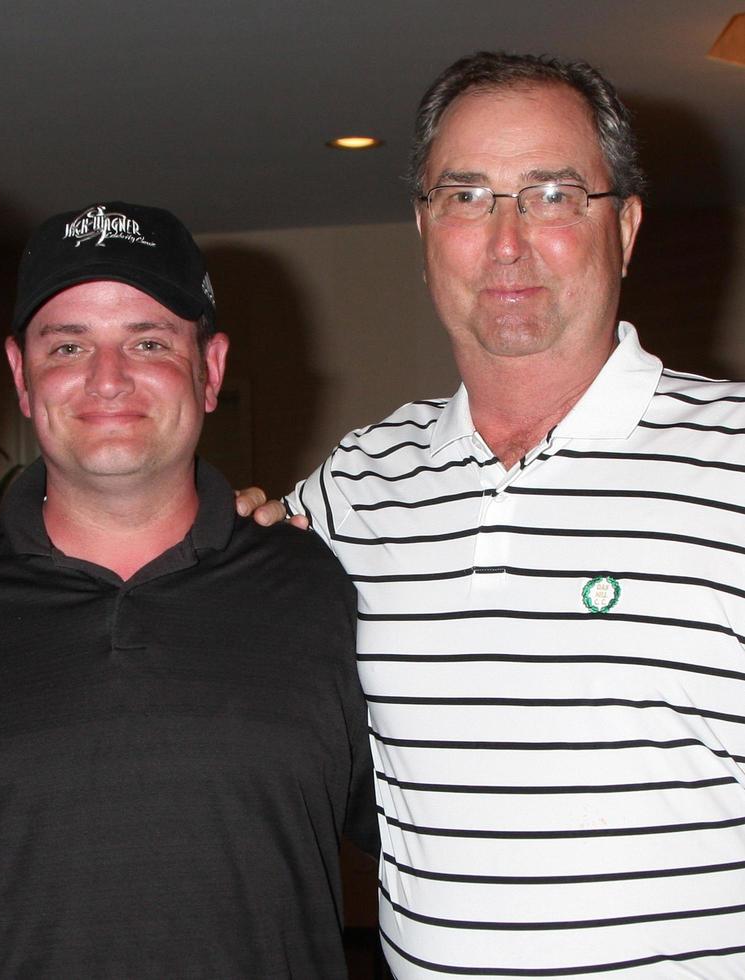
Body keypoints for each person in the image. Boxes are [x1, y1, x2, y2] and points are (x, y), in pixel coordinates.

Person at [241, 52, 745, 976]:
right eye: (466, 196)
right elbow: (205, 589)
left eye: (552, 194)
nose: (506, 241)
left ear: (624, 229)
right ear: (425, 230)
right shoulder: (361, 481)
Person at [0, 202, 376, 977]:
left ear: (208, 369)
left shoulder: (323, 593)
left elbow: (444, 849)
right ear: (21, 375)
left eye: (147, 342)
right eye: (68, 344)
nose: (106, 379)